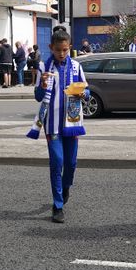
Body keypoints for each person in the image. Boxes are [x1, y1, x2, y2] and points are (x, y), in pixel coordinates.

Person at [34, 27, 89, 224]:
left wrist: (84, 94)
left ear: (70, 47)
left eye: (65, 50)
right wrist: (41, 85)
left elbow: (86, 90)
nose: (61, 53)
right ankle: (57, 205)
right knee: (57, 162)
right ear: (51, 48)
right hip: (52, 124)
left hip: (72, 123)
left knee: (71, 163)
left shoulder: (76, 67)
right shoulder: (44, 68)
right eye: (58, 50)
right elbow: (38, 97)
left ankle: (66, 187)